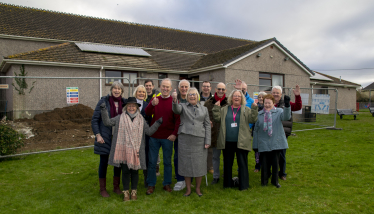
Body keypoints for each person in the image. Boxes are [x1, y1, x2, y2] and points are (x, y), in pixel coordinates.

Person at [100, 97, 162, 201]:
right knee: (125, 172)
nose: (132, 107)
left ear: (137, 108)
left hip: (137, 150)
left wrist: (158, 123)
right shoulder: (120, 118)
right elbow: (107, 122)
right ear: (126, 107)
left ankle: (134, 192)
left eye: (134, 106)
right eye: (129, 106)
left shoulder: (141, 119)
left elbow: (149, 132)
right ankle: (126, 193)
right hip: (123, 150)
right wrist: (103, 109)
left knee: (135, 172)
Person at [212, 89, 258, 191]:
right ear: (231, 98)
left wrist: (254, 109)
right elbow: (217, 119)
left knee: (242, 164)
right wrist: (216, 108)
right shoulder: (224, 109)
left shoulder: (246, 109)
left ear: (241, 99)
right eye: (234, 96)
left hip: (241, 141)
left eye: (239, 96)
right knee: (227, 164)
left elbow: (252, 119)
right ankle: (227, 185)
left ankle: (243, 185)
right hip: (227, 141)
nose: (236, 97)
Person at [172, 87, 211, 197]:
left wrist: (208, 140)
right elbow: (176, 110)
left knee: (199, 165)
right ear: (187, 97)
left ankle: (198, 188)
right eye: (190, 94)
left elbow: (207, 125)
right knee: (186, 164)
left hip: (200, 140)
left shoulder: (204, 109)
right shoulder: (182, 106)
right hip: (185, 139)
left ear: (197, 96)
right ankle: (188, 189)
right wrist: (175, 101)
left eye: (194, 94)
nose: (192, 96)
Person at [145, 78, 181, 195]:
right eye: (163, 86)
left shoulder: (174, 101)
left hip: (167, 138)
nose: (165, 89)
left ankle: (166, 183)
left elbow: (178, 120)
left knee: (167, 162)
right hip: (154, 136)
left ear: (171, 88)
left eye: (167, 87)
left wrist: (174, 134)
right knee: (152, 162)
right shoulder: (155, 100)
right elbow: (147, 112)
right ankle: (151, 184)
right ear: (160, 87)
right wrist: (151, 105)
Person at [91, 81, 127, 197]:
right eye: (114, 88)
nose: (117, 91)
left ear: (122, 91)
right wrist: (98, 134)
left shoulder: (124, 104)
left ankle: (116, 187)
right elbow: (95, 120)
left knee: (118, 163)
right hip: (105, 137)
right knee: (104, 162)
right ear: (111, 90)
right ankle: (103, 189)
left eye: (119, 89)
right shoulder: (103, 102)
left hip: (119, 137)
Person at [252, 94, 291, 188]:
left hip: (276, 142)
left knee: (275, 163)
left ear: (273, 103)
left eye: (269, 103)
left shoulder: (279, 112)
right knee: (264, 163)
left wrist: (287, 105)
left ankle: (275, 181)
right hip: (263, 142)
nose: (267, 105)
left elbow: (286, 117)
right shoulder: (259, 114)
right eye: (265, 103)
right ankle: (264, 181)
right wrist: (255, 145)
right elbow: (256, 130)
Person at [272, 85, 302, 181]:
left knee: (281, 154)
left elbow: (298, 106)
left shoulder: (286, 103)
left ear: (281, 94)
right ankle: (273, 173)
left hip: (282, 133)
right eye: (274, 92)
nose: (275, 94)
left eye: (277, 93)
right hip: (271, 133)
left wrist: (297, 96)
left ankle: (282, 173)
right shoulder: (269, 103)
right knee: (272, 154)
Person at [204, 82, 228, 184]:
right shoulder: (208, 103)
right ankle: (216, 176)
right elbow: (204, 116)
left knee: (227, 157)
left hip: (227, 134)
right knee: (215, 157)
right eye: (219, 89)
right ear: (215, 89)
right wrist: (207, 122)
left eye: (223, 89)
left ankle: (227, 175)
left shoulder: (229, 103)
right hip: (213, 133)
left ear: (225, 90)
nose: (221, 91)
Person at [172, 79, 190, 191]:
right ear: (179, 88)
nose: (184, 89)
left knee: (189, 157)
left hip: (190, 133)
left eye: (186, 87)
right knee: (178, 156)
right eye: (182, 87)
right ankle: (180, 179)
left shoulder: (193, 99)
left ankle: (189, 180)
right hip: (178, 133)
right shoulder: (175, 99)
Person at [133, 85, 152, 187]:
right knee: (133, 157)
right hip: (133, 135)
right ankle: (133, 180)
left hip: (145, 136)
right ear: (136, 93)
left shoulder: (147, 105)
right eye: (139, 92)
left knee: (146, 157)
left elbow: (149, 120)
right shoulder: (131, 104)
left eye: (143, 92)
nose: (141, 94)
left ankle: (147, 180)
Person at [144, 79, 161, 176]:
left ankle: (156, 167)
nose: (148, 87)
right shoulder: (142, 96)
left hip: (154, 125)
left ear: (153, 86)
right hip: (144, 125)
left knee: (155, 148)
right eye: (146, 85)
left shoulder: (157, 96)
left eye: (150, 85)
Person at [199, 81, 213, 173]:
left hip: (210, 125)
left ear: (210, 88)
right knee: (199, 147)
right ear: (201, 87)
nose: (206, 88)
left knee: (210, 147)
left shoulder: (213, 99)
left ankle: (210, 167)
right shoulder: (197, 98)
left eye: (208, 86)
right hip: (199, 125)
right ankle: (200, 166)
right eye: (204, 86)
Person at [252, 91, 267, 173]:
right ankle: (257, 166)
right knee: (257, 150)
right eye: (259, 97)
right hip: (256, 131)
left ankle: (265, 165)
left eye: (262, 97)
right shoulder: (255, 107)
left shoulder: (267, 107)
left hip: (265, 132)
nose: (261, 98)